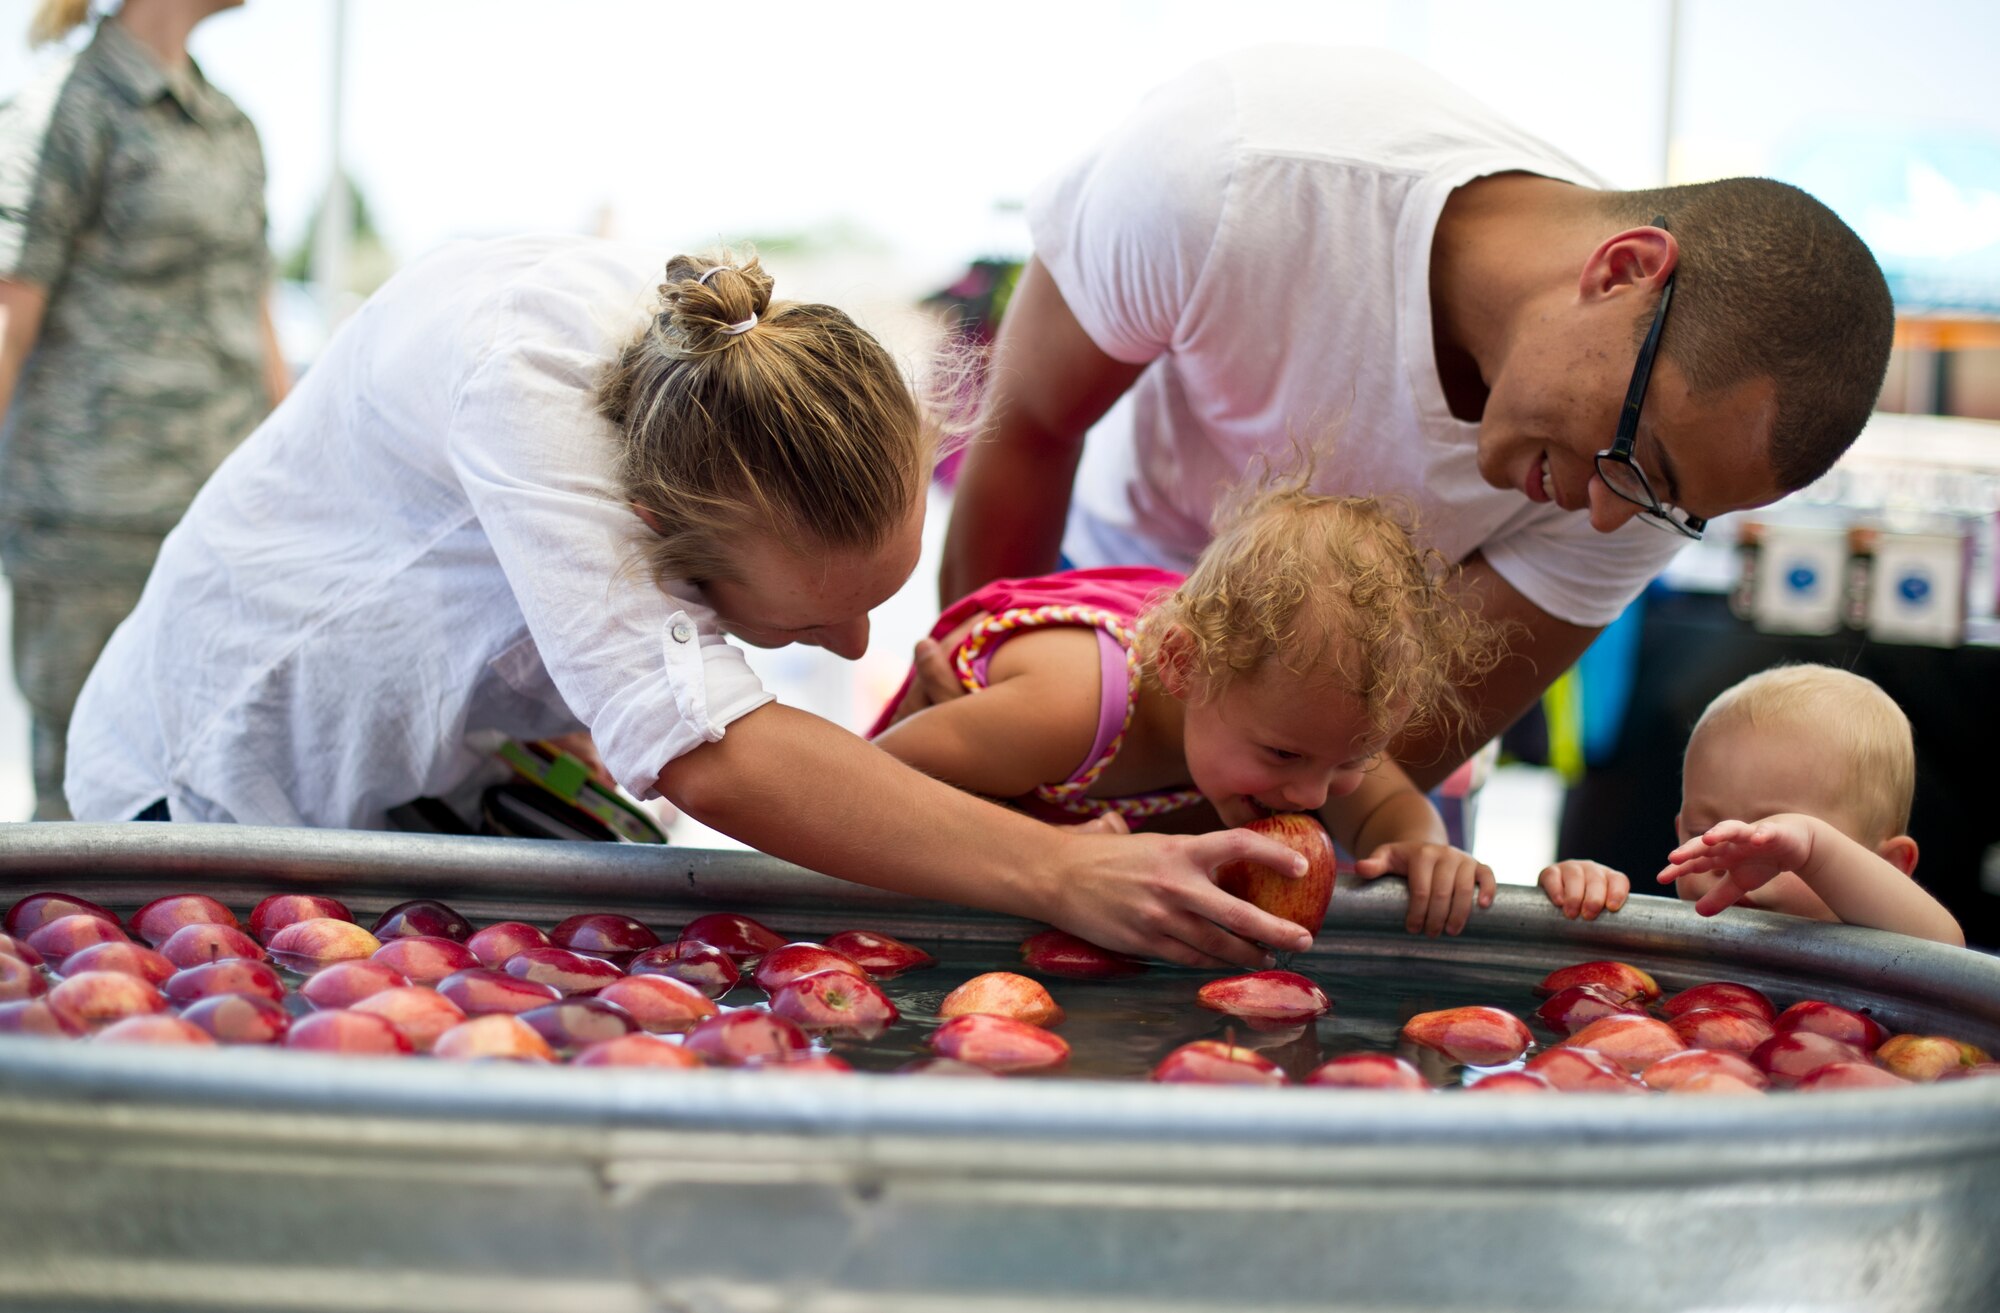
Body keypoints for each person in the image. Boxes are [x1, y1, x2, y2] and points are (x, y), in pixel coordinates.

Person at [66, 235, 1316, 970]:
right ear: (652, 538)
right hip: (218, 780)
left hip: (443, 769)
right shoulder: (527, 395)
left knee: (653, 948)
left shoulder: (726, 384)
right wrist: (1053, 869)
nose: (852, 645)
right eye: (805, 623)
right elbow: (707, 752)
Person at [931, 45, 1895, 791]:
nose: (1607, 516)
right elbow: (1029, 430)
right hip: (1091, 629)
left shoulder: (1644, 492)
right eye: (1637, 457)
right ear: (1624, 271)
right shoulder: (1235, 175)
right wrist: (985, 679)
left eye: (1664, 507)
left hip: (1332, 732)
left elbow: (1386, 762)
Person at [872, 477, 1507, 936]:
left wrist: (1420, 847)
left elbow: (1392, 810)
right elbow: (864, 786)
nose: (1315, 795)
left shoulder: (1298, 728)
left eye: (1355, 759)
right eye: (1285, 754)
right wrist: (1051, 847)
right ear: (1183, 666)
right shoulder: (1070, 711)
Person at [0, 0, 286, 819]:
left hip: (211, 524)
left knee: (207, 792)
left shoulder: (230, 126)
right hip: (90, 524)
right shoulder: (62, 111)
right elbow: (6, 323)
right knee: (81, 808)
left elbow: (253, 315)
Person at [1540, 665, 1963, 947]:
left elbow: (1947, 950)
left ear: (1889, 865)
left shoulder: (1888, 948)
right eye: (1702, 831)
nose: (1732, 857)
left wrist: (1815, 849)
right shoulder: (1686, 945)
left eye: (1773, 841)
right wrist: (1586, 895)